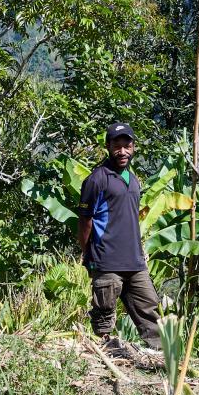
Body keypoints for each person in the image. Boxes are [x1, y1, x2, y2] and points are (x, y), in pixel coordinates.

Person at [77, 122, 162, 351]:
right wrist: (88, 255)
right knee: (104, 315)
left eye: (127, 146)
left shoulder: (133, 180)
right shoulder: (97, 179)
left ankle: (160, 359)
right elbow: (85, 221)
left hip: (135, 262)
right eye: (117, 146)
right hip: (107, 261)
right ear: (107, 146)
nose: (122, 151)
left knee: (150, 311)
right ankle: (100, 359)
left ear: (134, 147)